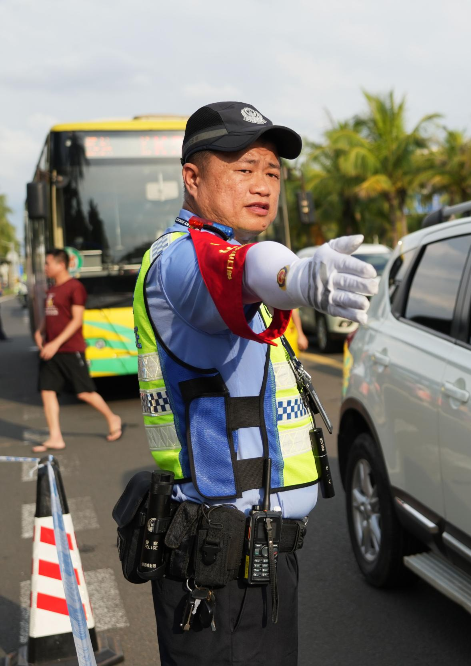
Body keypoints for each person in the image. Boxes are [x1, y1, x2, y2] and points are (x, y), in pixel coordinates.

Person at [132, 101, 377, 665]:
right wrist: (298, 274)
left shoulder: (223, 257)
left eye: (272, 171)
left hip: (254, 558)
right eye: (243, 169)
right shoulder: (182, 261)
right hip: (218, 567)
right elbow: (247, 268)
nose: (263, 184)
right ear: (193, 178)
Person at [33, 249, 122, 451]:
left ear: (61, 265)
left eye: (48, 264)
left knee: (84, 392)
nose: (45, 268)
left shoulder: (75, 287)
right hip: (50, 350)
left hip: (69, 349)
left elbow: (76, 320)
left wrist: (56, 343)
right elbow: (49, 316)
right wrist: (40, 332)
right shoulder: (52, 289)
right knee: (47, 391)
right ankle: (55, 437)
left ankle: (112, 418)